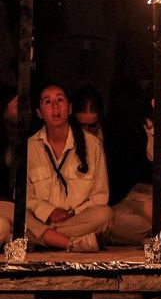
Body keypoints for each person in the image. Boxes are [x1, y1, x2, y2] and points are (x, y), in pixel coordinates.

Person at [0, 84, 112, 252]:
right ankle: (69, 243)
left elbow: (100, 195)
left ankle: (39, 239)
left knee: (105, 214)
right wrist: (49, 211)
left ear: (70, 108)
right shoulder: (30, 146)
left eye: (60, 100)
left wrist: (72, 213)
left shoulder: (93, 145)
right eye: (48, 102)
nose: (55, 107)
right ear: (39, 112)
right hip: (39, 219)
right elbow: (24, 195)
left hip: (75, 220)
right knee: (8, 208)